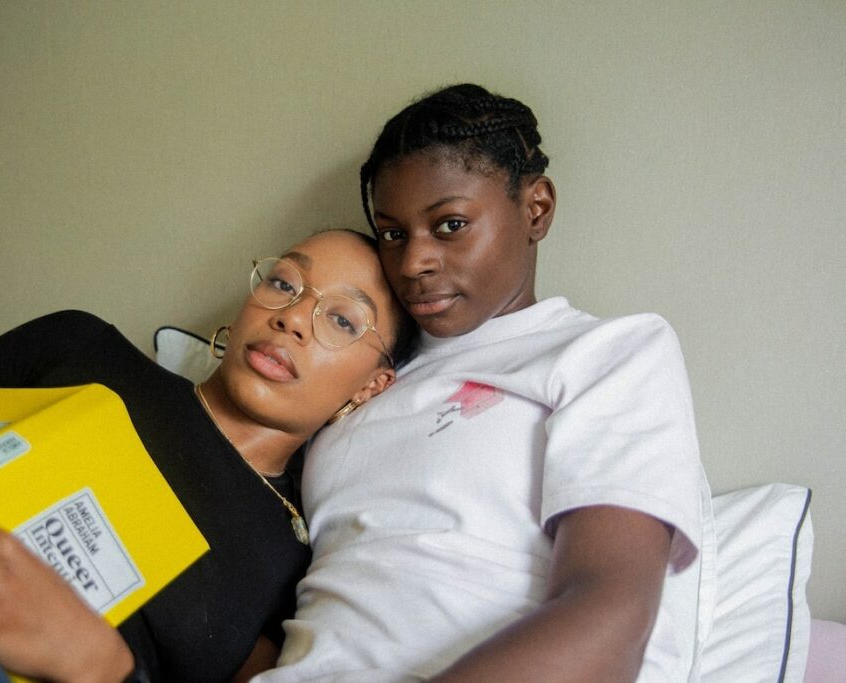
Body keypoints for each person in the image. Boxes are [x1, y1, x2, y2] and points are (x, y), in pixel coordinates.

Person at [258, 84, 713, 682]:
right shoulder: (364, 374)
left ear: (536, 209)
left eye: (449, 225)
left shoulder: (606, 353)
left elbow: (611, 612)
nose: (413, 262)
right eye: (393, 234)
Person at [0, 229, 418, 683]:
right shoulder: (80, 345)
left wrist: (98, 663)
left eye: (341, 319)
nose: (291, 318)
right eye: (285, 283)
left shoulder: (297, 561)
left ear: (371, 387)